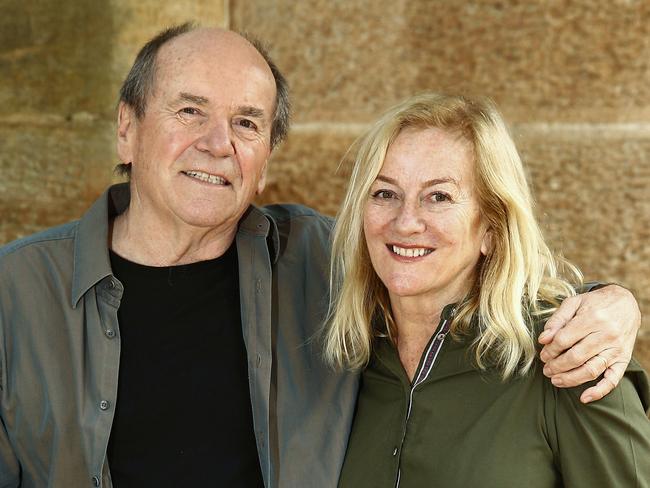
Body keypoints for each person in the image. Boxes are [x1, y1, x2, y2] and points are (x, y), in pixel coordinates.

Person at [0, 24, 642, 488]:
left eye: (247, 123)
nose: (217, 144)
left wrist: (612, 304)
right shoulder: (16, 292)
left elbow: (455, 265)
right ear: (127, 127)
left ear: (266, 156)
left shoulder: (319, 259)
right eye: (189, 111)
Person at [326, 92, 650, 487]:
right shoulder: (344, 363)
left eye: (439, 196)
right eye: (385, 193)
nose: (405, 221)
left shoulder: (571, 357)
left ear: (492, 229)